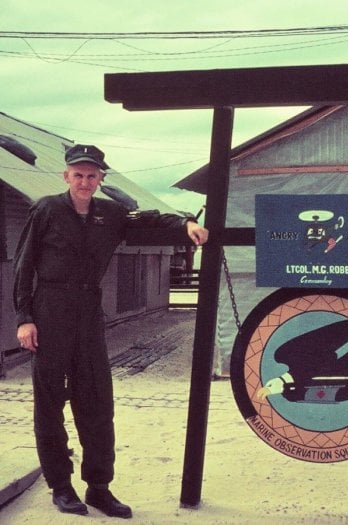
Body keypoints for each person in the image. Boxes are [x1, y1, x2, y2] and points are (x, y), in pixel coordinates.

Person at [13, 144, 208, 518]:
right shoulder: (47, 209)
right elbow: (24, 265)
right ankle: (62, 486)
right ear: (66, 176)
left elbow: (151, 221)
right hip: (50, 309)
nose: (85, 181)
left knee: (97, 400)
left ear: (100, 178)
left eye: (92, 175)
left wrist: (187, 224)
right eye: (78, 174)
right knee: (50, 403)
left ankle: (99, 487)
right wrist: (24, 317)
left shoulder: (112, 213)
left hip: (89, 312)